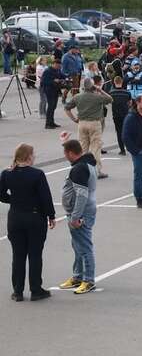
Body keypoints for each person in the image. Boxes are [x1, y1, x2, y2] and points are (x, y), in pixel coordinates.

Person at [1, 144, 55, 302]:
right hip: (34, 217)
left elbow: (1, 193)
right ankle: (36, 289)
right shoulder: (37, 174)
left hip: (15, 217)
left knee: (18, 255)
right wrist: (50, 215)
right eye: (33, 154)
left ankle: (17, 291)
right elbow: (46, 197)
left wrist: (13, 200)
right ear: (28, 156)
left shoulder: (6, 173)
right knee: (35, 255)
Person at [57, 139, 98, 295]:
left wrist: (75, 217)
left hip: (81, 212)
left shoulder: (79, 169)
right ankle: (78, 276)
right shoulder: (86, 163)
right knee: (77, 245)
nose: (65, 156)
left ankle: (88, 280)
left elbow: (81, 195)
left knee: (85, 247)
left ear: (71, 153)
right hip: (82, 210)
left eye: (65, 153)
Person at [64, 78, 112, 179]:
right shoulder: (97, 97)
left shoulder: (77, 97)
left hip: (82, 123)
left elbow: (67, 108)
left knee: (82, 147)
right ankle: (96, 170)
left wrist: (74, 119)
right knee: (95, 148)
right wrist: (100, 90)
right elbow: (110, 99)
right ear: (93, 86)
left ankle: (81, 169)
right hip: (94, 123)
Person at [109, 76, 131, 156]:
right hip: (125, 114)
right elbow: (129, 103)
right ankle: (129, 147)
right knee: (126, 131)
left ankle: (122, 150)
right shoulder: (127, 92)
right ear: (122, 82)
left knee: (119, 132)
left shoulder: (111, 93)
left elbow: (109, 101)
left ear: (114, 82)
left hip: (116, 115)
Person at [41, 58, 64, 129]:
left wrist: (67, 76)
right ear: (53, 64)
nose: (58, 67)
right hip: (49, 91)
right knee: (51, 107)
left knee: (54, 106)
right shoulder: (47, 71)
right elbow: (44, 82)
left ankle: (52, 122)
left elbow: (62, 75)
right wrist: (54, 81)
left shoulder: (58, 70)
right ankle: (48, 124)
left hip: (56, 90)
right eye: (57, 65)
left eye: (59, 66)